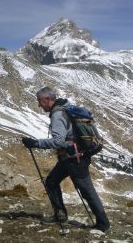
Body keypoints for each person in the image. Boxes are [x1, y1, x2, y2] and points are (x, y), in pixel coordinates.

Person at [22, 86, 110, 232]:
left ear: (48, 99)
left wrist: (35, 143)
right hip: (72, 157)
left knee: (87, 190)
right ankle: (60, 215)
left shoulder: (57, 114)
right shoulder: (66, 107)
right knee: (51, 181)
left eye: (40, 101)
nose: (39, 105)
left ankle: (103, 224)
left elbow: (57, 141)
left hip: (75, 159)